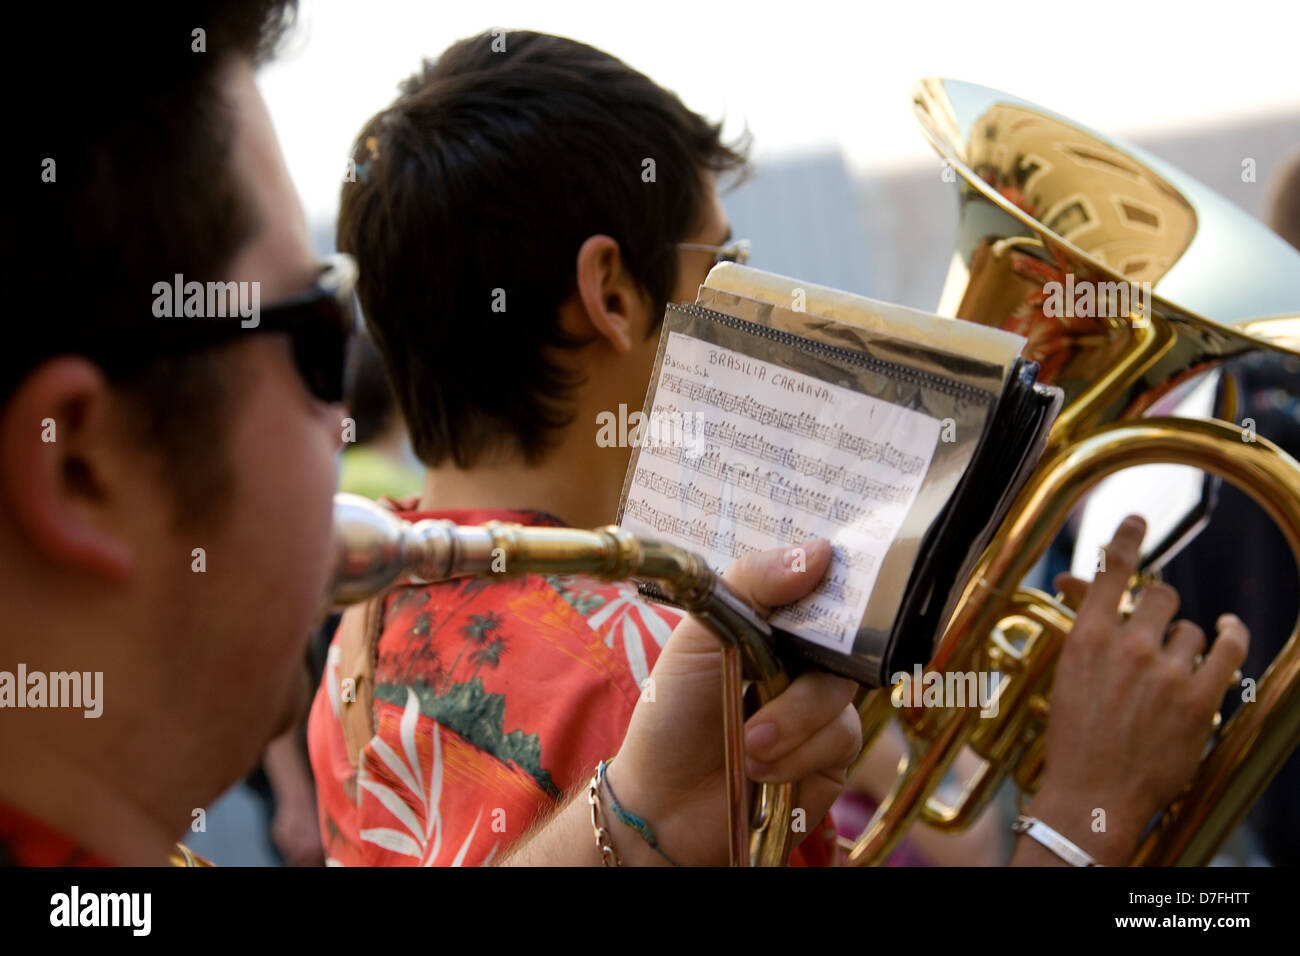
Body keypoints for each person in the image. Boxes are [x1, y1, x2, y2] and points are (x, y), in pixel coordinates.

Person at [0, 3, 1252, 869]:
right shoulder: (655, 652)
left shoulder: (361, 638)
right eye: (727, 270)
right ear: (611, 294)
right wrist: (1087, 808)